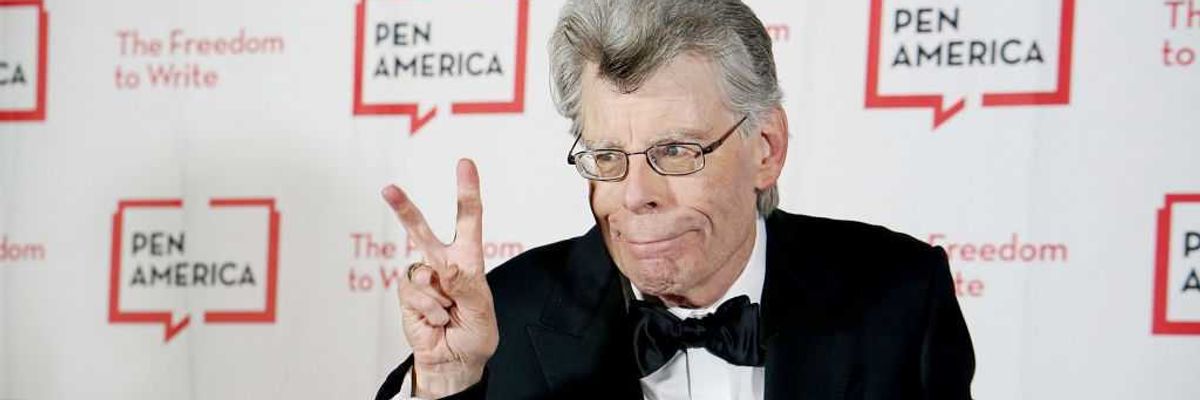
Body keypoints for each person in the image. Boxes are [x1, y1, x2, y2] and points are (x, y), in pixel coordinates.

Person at [375, 0, 975, 399]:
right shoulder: (502, 319)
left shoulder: (900, 294)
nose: (636, 197)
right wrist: (448, 382)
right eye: (608, 159)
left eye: (677, 152)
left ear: (765, 147)